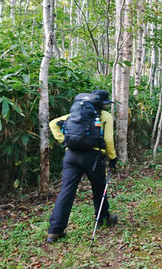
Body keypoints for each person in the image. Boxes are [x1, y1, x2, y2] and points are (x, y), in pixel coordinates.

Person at [45, 90, 118, 243]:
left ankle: (54, 231)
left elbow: (53, 124)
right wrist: (112, 157)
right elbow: (109, 139)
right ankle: (103, 218)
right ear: (103, 104)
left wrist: (64, 141)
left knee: (66, 191)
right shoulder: (105, 117)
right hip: (93, 157)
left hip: (71, 155)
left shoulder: (76, 113)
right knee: (99, 188)